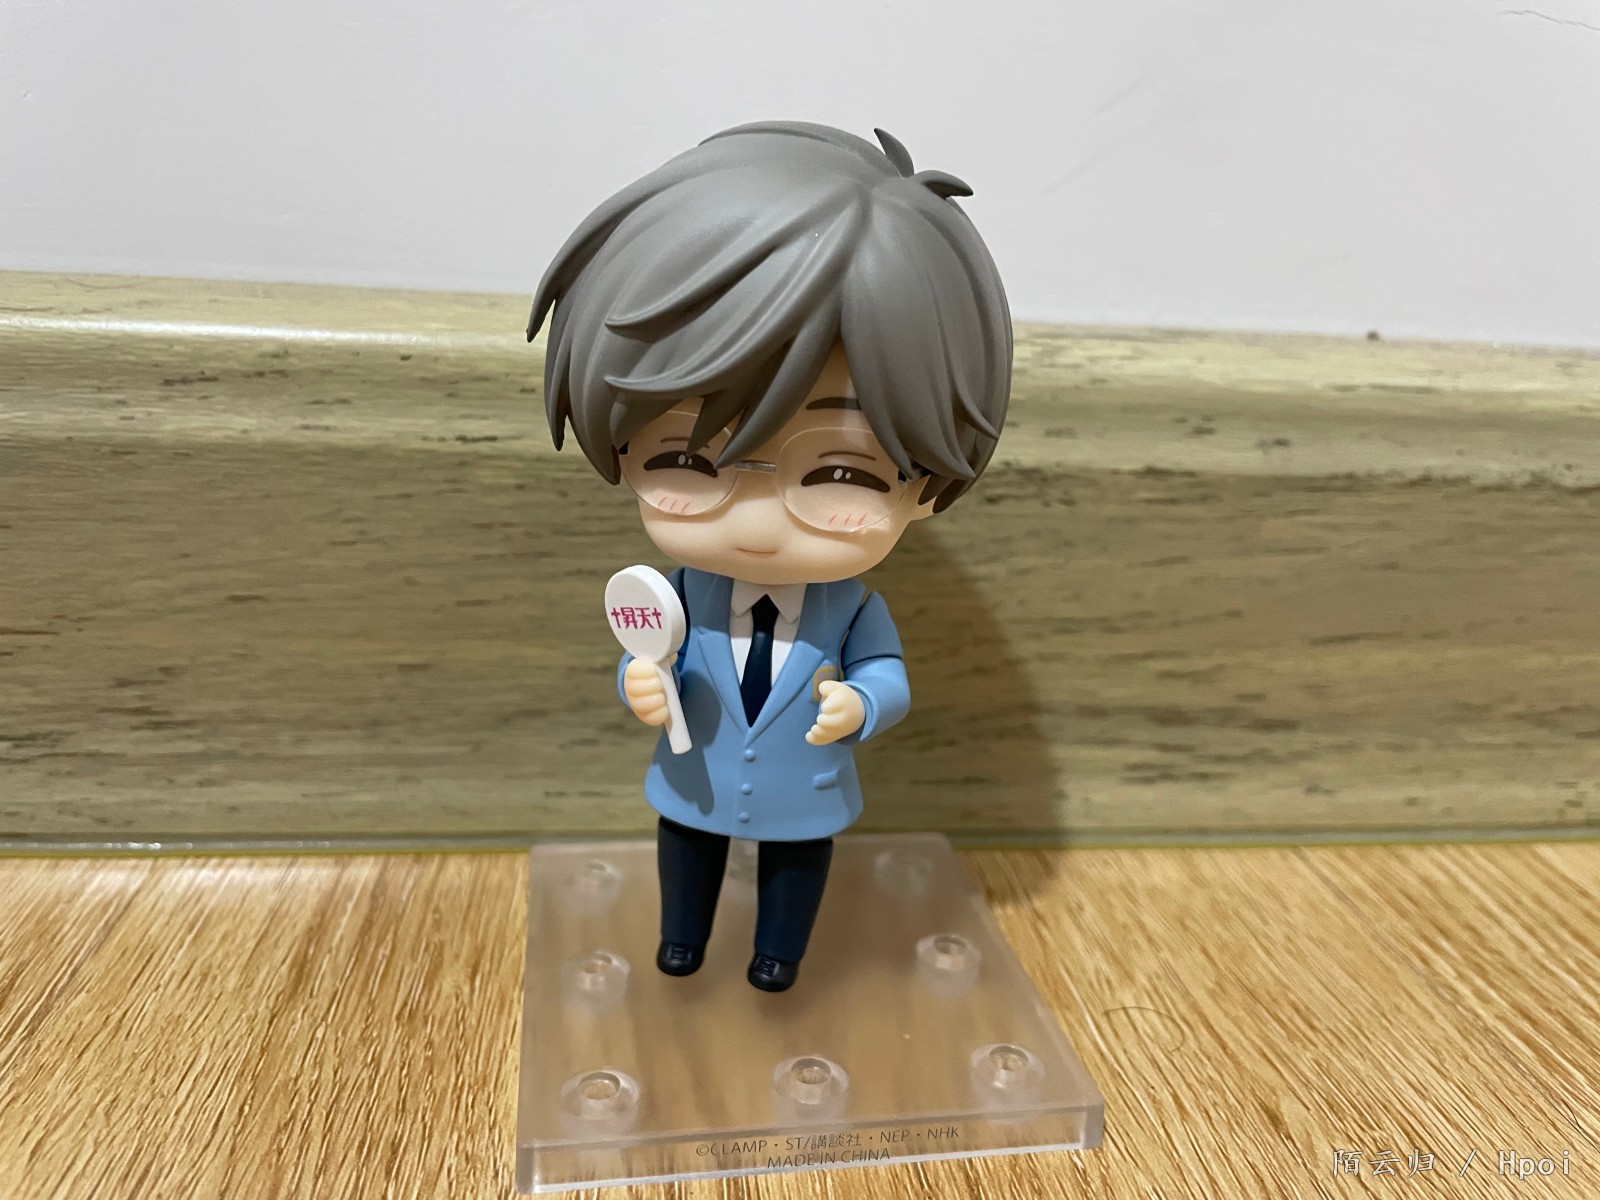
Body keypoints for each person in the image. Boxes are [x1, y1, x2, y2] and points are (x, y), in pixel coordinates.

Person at [529, 121, 1011, 992]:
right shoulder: (677, 590)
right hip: (696, 779)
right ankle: (682, 939)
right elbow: (646, 650)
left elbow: (890, 675)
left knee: (797, 867)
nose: (757, 525)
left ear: (924, 480)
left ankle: (778, 954)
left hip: (803, 793)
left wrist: (862, 704)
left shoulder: (853, 611)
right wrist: (639, 684)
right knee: (686, 847)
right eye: (686, 460)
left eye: (839, 472)